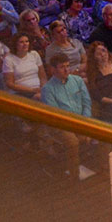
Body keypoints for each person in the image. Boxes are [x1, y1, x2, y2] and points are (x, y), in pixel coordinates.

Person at [41, 53, 92, 182]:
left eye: (68, 66)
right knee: (72, 142)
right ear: (53, 70)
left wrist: (85, 121)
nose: (66, 70)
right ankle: (74, 176)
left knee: (104, 134)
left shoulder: (78, 80)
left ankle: (103, 169)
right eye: (62, 67)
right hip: (62, 124)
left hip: (81, 120)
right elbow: (56, 115)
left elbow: (87, 103)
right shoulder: (48, 89)